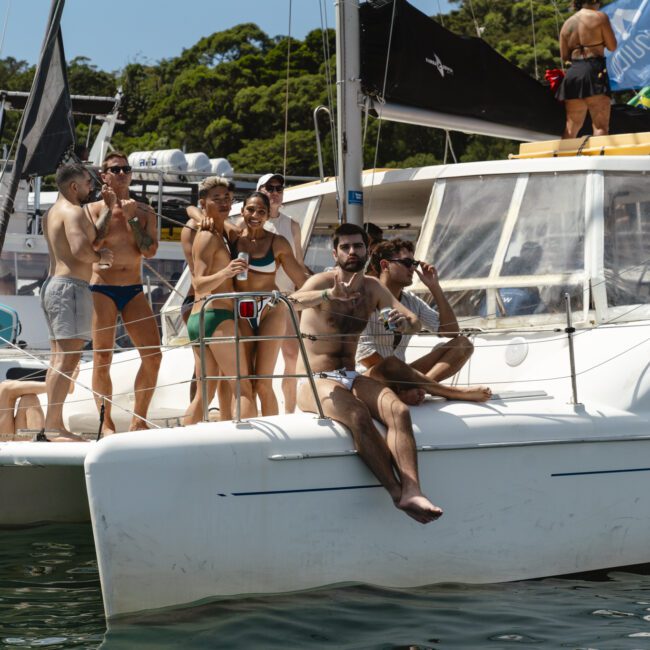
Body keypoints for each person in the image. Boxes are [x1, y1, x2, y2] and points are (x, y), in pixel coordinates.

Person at [289, 223, 443, 524]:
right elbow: (290, 301)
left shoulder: (372, 288)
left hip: (351, 374)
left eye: (358, 246)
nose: (352, 252)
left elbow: (412, 320)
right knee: (358, 416)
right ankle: (397, 492)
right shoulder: (322, 281)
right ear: (334, 253)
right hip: (315, 381)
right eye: (345, 247)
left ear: (366, 250)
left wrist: (404, 322)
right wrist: (326, 295)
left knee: (398, 411)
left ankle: (413, 489)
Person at [357, 239, 491, 404]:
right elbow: (366, 357)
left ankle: (420, 389)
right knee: (391, 364)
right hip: (370, 378)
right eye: (407, 263)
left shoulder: (410, 301)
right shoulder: (362, 300)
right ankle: (449, 392)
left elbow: (450, 331)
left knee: (463, 344)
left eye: (414, 263)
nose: (413, 268)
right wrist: (403, 377)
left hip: (403, 375)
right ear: (385, 265)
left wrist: (434, 287)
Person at [85, 152, 161, 434]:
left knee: (153, 356)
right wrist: (109, 208)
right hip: (102, 288)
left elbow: (150, 251)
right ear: (103, 175)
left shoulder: (143, 211)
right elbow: (93, 243)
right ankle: (105, 423)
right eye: (115, 169)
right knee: (102, 357)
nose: (121, 173)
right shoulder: (92, 209)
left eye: (125, 169)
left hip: (132, 288)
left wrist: (131, 220)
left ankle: (139, 419)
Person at [41, 163, 113, 441]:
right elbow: (82, 249)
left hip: (56, 286)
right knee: (67, 359)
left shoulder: (54, 211)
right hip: (69, 288)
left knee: (59, 358)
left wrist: (107, 207)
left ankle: (53, 424)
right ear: (74, 186)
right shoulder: (71, 212)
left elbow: (92, 236)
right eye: (87, 182)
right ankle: (53, 427)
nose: (91, 186)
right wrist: (102, 258)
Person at [184, 177, 257, 424]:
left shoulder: (218, 231)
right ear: (205, 203)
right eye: (217, 198)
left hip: (202, 319)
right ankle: (250, 446)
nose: (224, 202)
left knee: (204, 395)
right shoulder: (206, 236)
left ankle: (183, 443)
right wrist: (227, 272)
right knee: (243, 387)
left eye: (227, 198)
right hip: (216, 316)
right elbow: (198, 284)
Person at [233, 192, 307, 415]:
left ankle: (272, 438)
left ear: (267, 216)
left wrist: (324, 295)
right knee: (244, 381)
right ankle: (247, 434)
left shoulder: (278, 243)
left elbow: (301, 281)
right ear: (242, 210)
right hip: (241, 308)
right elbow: (197, 213)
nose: (255, 215)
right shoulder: (232, 239)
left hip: (270, 309)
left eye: (261, 211)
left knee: (263, 382)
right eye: (251, 209)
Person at [257, 173, 305, 414]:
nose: (275, 192)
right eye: (270, 188)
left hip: (286, 298)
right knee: (258, 358)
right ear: (260, 191)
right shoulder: (253, 222)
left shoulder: (292, 225)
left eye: (279, 188)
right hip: (257, 298)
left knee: (291, 358)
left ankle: (289, 411)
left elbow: (298, 263)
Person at [556, 0, 617, 139]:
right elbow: (612, 46)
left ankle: (563, 159)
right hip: (594, 70)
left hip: (573, 73)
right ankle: (600, 161)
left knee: (571, 128)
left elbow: (564, 56)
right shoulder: (599, 17)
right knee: (600, 126)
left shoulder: (567, 24)